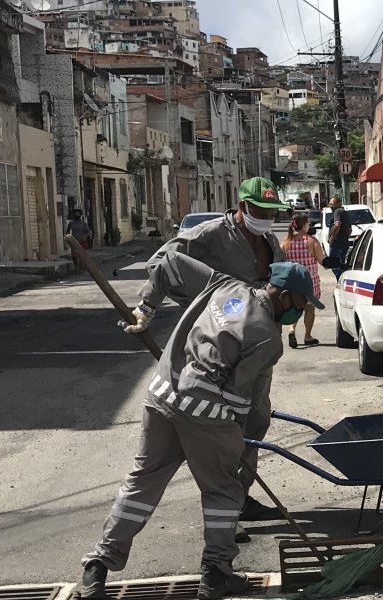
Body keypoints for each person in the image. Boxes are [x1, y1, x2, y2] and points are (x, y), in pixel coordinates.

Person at [77, 254, 324, 600]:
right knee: (224, 491)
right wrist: (237, 441)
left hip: (162, 395)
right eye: (301, 303)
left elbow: (169, 263)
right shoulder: (269, 339)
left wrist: (146, 308)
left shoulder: (225, 285)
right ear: (284, 296)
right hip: (206, 414)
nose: (301, 311)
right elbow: (239, 397)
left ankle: (97, 567)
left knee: (142, 483)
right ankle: (217, 572)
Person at [123, 176, 289, 535]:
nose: (265, 217)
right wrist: (181, 307)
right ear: (242, 207)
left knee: (255, 423)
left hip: (258, 349)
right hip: (218, 351)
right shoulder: (210, 235)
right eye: (259, 210)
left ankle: (239, 499)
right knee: (222, 429)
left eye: (271, 212)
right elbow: (162, 264)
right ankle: (223, 509)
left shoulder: (270, 241)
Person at [280, 214, 325, 348]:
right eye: (308, 224)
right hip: (310, 281)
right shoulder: (311, 241)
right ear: (304, 224)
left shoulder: (285, 242)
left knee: (294, 307)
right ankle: (307, 336)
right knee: (309, 309)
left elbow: (281, 262)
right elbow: (321, 260)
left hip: (292, 281)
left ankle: (292, 330)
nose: (309, 226)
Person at [326, 196, 350, 280]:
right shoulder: (344, 212)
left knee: (334, 265)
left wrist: (332, 237)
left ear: (338, 204)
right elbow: (349, 230)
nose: (330, 206)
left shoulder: (337, 211)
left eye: (332, 204)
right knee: (341, 265)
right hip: (344, 242)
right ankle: (343, 280)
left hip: (337, 243)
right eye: (330, 204)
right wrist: (345, 238)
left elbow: (337, 225)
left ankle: (341, 281)